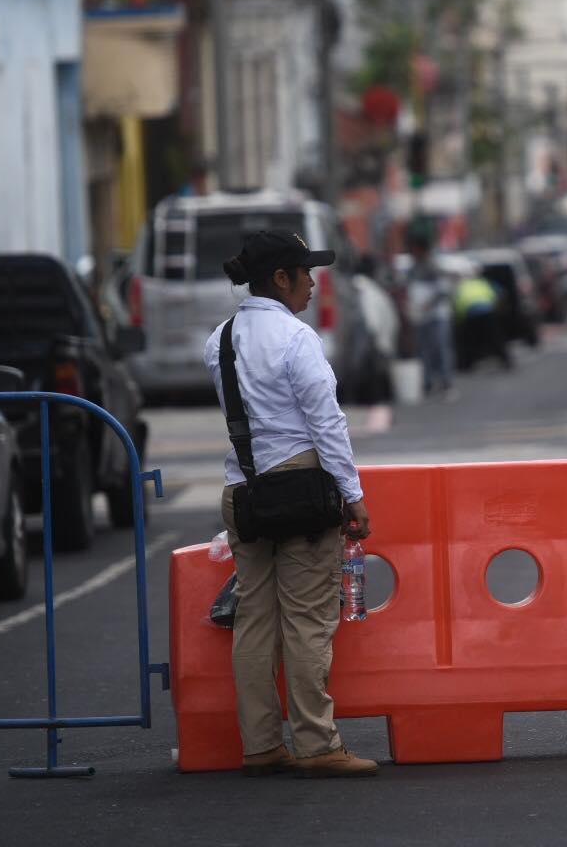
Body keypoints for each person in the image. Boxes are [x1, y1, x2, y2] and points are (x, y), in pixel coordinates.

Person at [205, 231, 378, 778]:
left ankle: (260, 744)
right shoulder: (296, 338)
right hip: (300, 488)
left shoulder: (220, 339)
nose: (312, 281)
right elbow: (326, 422)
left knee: (255, 618)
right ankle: (317, 743)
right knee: (307, 620)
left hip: (243, 491)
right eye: (305, 272)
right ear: (280, 278)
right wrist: (352, 495)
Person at [406, 232, 456, 399]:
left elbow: (443, 290)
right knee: (424, 350)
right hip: (420, 316)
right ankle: (427, 382)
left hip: (436, 315)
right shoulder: (413, 268)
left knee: (440, 348)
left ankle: (446, 382)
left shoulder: (433, 266)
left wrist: (429, 305)